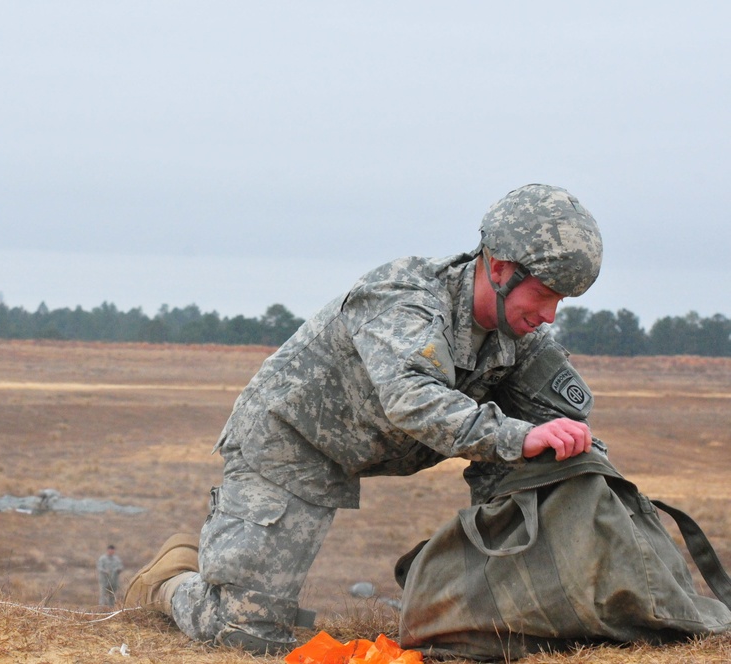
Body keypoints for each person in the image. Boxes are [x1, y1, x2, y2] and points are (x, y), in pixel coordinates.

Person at [124, 184, 605, 654]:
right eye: (543, 295)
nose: (549, 315)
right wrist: (516, 436)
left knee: (544, 451)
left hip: (375, 445)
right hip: (292, 443)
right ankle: (169, 579)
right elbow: (414, 399)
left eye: (561, 301)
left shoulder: (518, 333)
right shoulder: (403, 297)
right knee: (243, 632)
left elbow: (563, 421)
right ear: (499, 269)